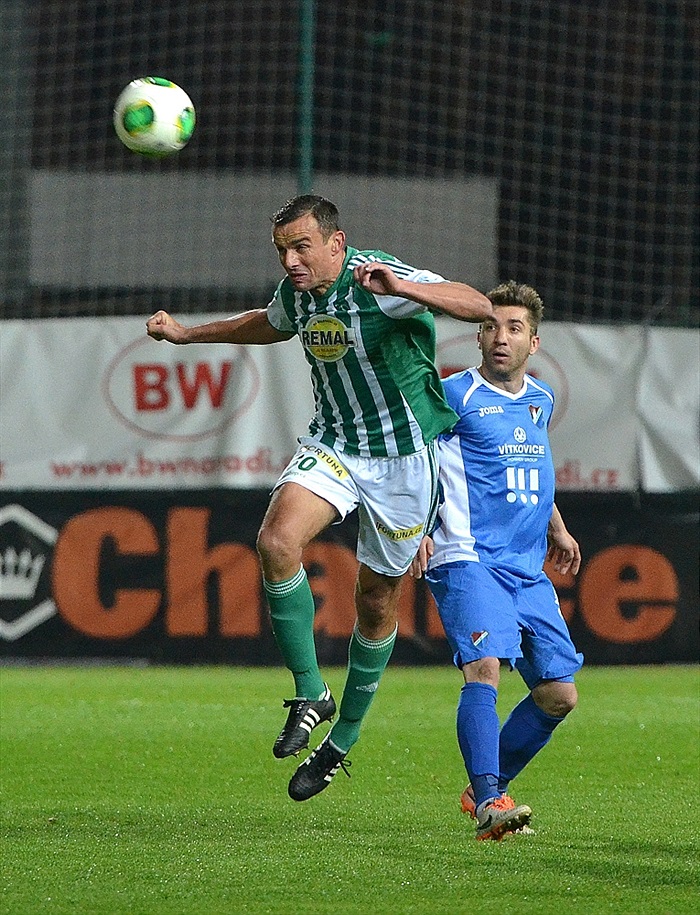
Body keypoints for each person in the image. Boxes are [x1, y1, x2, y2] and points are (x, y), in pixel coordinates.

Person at [146, 194, 493, 801]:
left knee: (376, 604)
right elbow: (266, 321)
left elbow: (479, 306)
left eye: (302, 246)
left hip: (405, 460)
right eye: (283, 249)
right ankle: (311, 691)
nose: (291, 260)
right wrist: (184, 336)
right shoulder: (300, 294)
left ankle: (342, 742)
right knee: (276, 542)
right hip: (336, 443)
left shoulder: (378, 277)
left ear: (337, 243)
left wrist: (407, 290)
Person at [410, 279, 583, 840]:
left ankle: (486, 786)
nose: (500, 337)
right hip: (468, 558)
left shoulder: (540, 398)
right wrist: (413, 530)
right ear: (479, 335)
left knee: (559, 695)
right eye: (490, 326)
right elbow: (414, 464)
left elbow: (536, 465)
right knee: (485, 670)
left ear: (534, 342)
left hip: (527, 567)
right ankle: (490, 803)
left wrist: (556, 526)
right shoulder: (453, 395)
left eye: (514, 328)